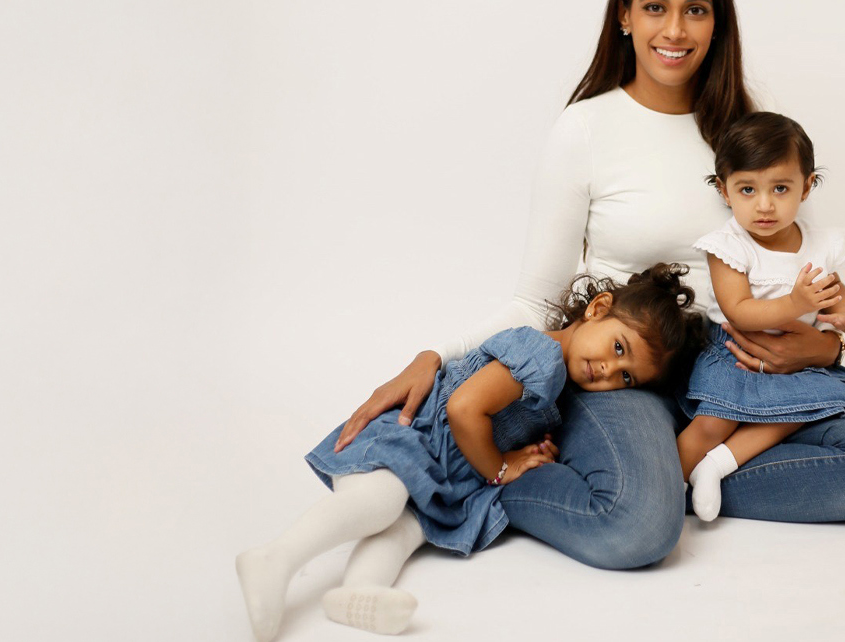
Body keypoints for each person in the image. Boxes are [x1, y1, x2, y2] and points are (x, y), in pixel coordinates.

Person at [333, 0, 845, 575]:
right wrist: (432, 355)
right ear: (623, 15)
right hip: (625, 369)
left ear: (717, 22)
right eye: (654, 7)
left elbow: (798, 268)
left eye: (696, 9)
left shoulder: (745, 131)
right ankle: (485, 490)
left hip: (735, 377)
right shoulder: (586, 129)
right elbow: (538, 300)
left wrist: (825, 348)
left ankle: (671, 476)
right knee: (638, 533)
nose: (675, 29)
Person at [238, 265, 705, 640]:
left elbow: (504, 419)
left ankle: (359, 592)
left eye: (626, 377)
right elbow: (463, 410)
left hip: (441, 471)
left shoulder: (556, 383)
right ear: (597, 309)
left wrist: (528, 446)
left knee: (406, 528)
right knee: (379, 502)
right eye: (618, 348)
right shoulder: (540, 354)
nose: (608, 371)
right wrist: (500, 469)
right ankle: (274, 559)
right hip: (412, 438)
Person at [677, 112, 845, 521]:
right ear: (724, 190)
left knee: (802, 411)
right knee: (713, 424)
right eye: (747, 189)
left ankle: (716, 467)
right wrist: (796, 305)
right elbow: (739, 311)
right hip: (735, 356)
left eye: (781, 188)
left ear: (807, 188)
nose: (764, 205)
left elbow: (835, 294)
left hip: (794, 369)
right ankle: (666, 486)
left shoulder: (820, 243)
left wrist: (844, 320)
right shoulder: (730, 246)